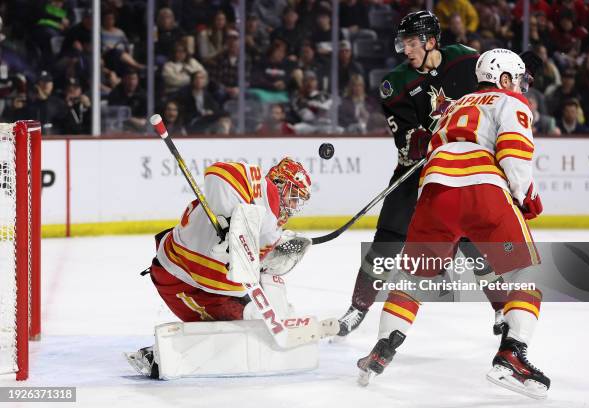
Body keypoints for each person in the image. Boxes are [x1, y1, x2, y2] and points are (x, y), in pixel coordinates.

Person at [357, 49, 549, 400]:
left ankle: (383, 347)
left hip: (433, 197)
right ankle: (512, 355)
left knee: (412, 279)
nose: (520, 86)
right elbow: (514, 156)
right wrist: (526, 197)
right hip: (482, 191)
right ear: (504, 79)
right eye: (517, 79)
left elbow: (432, 149)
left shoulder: (453, 106)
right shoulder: (510, 101)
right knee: (527, 275)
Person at [336, 11, 484, 337]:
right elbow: (403, 139)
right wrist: (412, 142)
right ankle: (357, 307)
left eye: (412, 43)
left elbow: (493, 96)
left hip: (460, 169)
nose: (405, 50)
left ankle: (505, 312)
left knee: (476, 239)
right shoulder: (396, 84)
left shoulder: (466, 61)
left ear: (431, 42)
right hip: (415, 171)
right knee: (388, 238)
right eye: (402, 44)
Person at [126, 158, 313, 377]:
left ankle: (166, 354)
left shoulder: (269, 228)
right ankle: (160, 356)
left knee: (255, 327)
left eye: (298, 201)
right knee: (246, 328)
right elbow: (217, 174)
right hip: (181, 278)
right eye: (294, 196)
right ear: (281, 183)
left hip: (209, 287)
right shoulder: (261, 186)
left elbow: (254, 271)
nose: (293, 206)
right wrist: (228, 221)